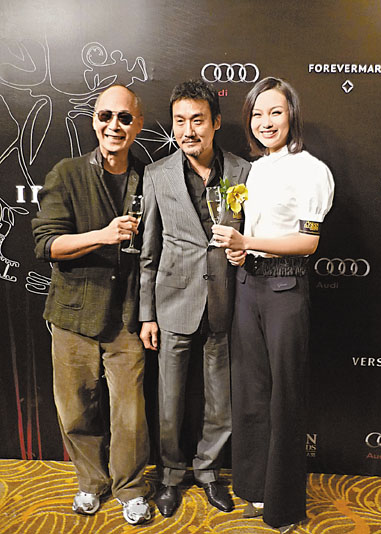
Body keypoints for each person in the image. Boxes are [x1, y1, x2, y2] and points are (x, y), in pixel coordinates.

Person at [212, 77, 334, 533]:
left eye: (275, 112)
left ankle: (284, 508)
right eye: (257, 114)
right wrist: (241, 251)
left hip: (286, 288)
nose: (266, 122)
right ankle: (256, 491)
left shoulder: (312, 170)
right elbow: (255, 234)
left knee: (284, 399)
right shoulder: (255, 169)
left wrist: (248, 241)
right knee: (251, 396)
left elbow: (308, 242)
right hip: (249, 286)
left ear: (291, 115)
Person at [32, 85, 152, 526]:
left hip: (126, 315)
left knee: (130, 413)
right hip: (73, 315)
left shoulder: (149, 176)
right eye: (105, 116)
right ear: (93, 120)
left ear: (138, 124)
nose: (114, 126)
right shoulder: (66, 173)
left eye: (124, 117)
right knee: (76, 408)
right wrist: (103, 235)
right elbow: (46, 244)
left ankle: (131, 488)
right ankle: (91, 481)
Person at [139, 79, 250, 518]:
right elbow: (148, 253)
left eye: (197, 120)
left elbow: (252, 237)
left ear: (215, 122)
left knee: (221, 400)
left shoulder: (243, 171)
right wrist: (147, 314)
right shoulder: (156, 174)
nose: (188, 130)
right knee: (169, 400)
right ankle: (170, 475)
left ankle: (208, 471)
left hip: (226, 302)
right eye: (180, 121)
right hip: (173, 304)